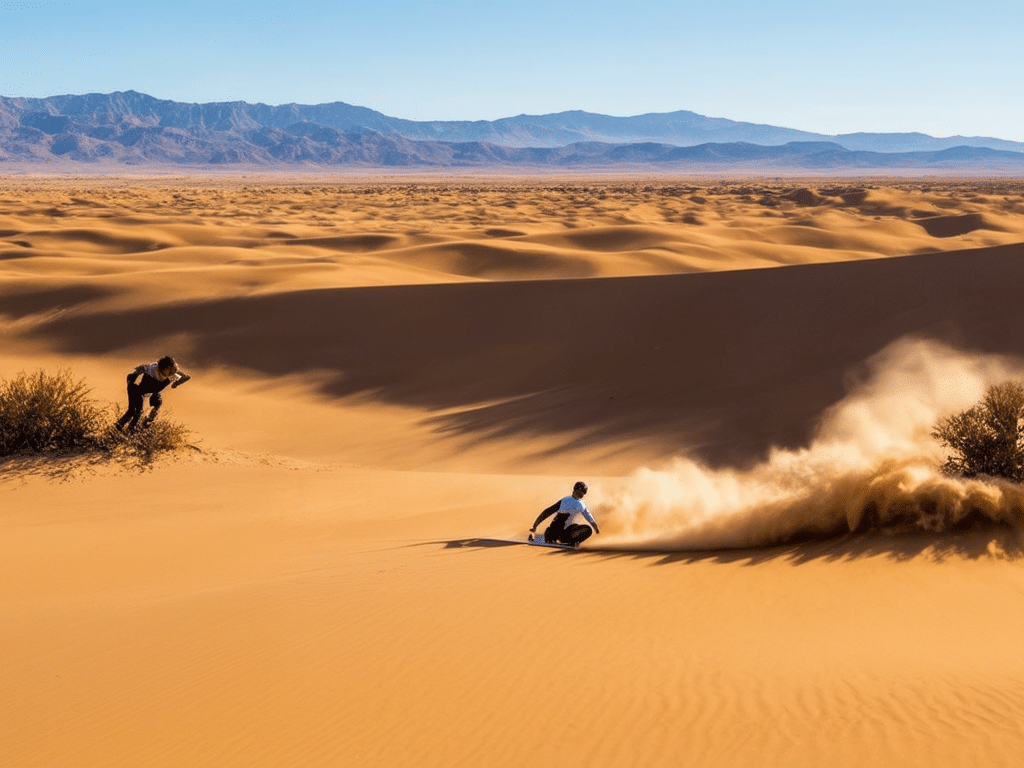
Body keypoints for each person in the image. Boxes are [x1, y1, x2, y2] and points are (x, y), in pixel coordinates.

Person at [116, 355, 191, 432]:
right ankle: (120, 428)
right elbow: (132, 374)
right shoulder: (152, 368)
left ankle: (147, 421)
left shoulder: (171, 373)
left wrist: (176, 383)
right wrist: (131, 383)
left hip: (153, 391)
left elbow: (186, 377)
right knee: (133, 411)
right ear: (162, 367)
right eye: (167, 370)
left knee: (157, 403)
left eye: (171, 370)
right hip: (136, 389)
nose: (169, 374)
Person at [529, 481, 600, 548]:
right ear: (574, 490)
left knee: (587, 529)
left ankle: (573, 542)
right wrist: (535, 525)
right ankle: (549, 538)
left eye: (582, 492)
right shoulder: (565, 501)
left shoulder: (582, 504)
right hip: (555, 531)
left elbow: (589, 517)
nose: (581, 494)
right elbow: (547, 512)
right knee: (561, 520)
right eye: (579, 492)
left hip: (566, 534)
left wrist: (595, 527)